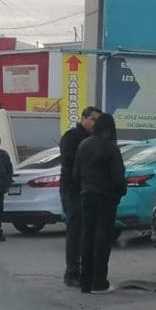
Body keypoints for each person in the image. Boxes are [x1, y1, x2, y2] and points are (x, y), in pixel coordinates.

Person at [73, 113, 127, 294]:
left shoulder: (84, 145)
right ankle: (99, 282)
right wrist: (120, 193)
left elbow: (76, 174)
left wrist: (84, 188)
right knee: (102, 240)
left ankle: (85, 282)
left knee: (87, 237)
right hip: (106, 198)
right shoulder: (111, 148)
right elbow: (118, 177)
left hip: (86, 195)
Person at [59, 106, 102, 287]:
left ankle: (87, 270)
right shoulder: (72, 137)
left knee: (88, 232)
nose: (95, 124)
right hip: (74, 189)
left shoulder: (97, 140)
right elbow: (71, 161)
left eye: (98, 121)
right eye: (92, 119)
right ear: (84, 118)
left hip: (90, 190)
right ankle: (72, 272)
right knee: (76, 231)